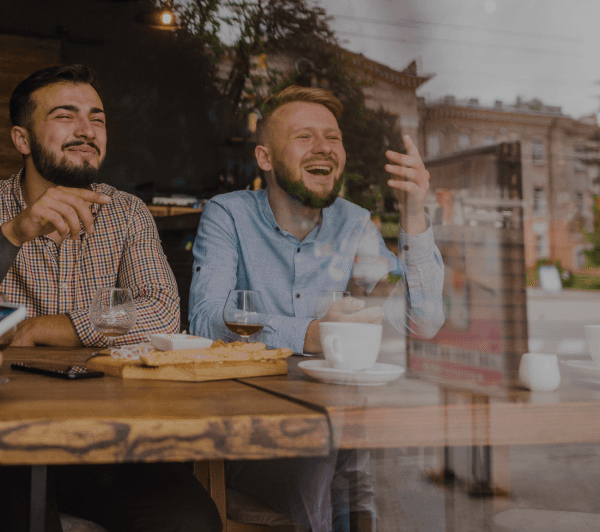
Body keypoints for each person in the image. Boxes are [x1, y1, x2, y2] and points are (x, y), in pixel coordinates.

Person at [0, 63, 220, 532]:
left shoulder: (127, 213)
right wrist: (15, 232)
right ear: (22, 139)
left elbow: (163, 314)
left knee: (194, 523)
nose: (86, 130)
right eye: (65, 116)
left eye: (97, 118)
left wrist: (35, 328)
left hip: (107, 437)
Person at [188, 85, 446, 532]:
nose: (325, 146)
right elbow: (207, 317)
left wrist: (414, 213)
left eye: (333, 137)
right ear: (265, 158)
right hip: (251, 434)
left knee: (359, 456)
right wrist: (314, 333)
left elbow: (420, 319)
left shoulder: (354, 223)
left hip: (341, 425)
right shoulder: (227, 215)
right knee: (334, 453)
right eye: (305, 136)